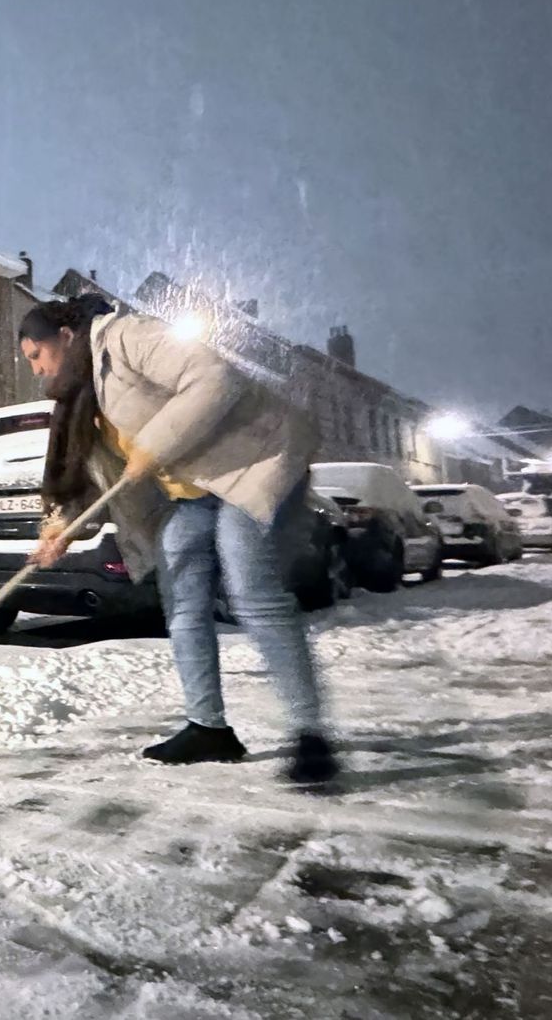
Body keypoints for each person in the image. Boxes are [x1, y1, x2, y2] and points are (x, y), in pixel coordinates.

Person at [20, 293, 338, 786]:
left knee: (251, 590)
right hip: (191, 493)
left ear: (64, 336)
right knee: (182, 602)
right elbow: (86, 474)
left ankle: (311, 734)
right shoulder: (82, 401)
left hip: (255, 461)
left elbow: (215, 379)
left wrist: (154, 445)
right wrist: (60, 527)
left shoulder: (127, 337)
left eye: (36, 355)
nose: (36, 370)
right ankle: (208, 727)